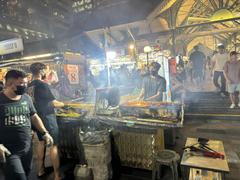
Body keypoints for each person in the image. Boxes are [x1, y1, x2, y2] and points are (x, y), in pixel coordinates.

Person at [0, 70, 53, 180]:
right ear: (9, 84)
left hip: (27, 148)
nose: (25, 86)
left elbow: (34, 117)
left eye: (26, 83)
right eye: (21, 83)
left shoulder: (26, 98)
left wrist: (45, 133)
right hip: (8, 150)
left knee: (26, 174)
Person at [28, 63, 65, 180]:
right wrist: (64, 104)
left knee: (41, 142)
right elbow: (53, 103)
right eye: (46, 70)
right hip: (47, 118)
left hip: (37, 119)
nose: (47, 73)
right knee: (54, 145)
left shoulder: (29, 86)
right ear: (41, 71)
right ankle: (57, 175)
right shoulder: (42, 85)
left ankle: (40, 170)